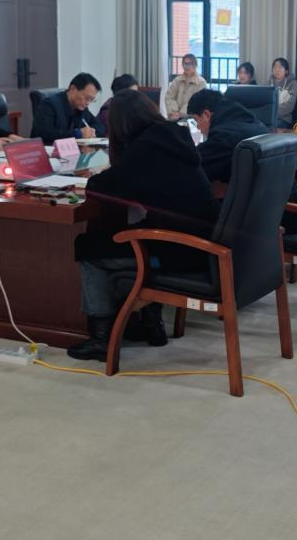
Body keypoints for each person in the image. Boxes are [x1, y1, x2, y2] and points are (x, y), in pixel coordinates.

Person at [67, 90, 218, 361]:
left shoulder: (144, 149)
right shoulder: (173, 137)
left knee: (88, 247)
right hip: (201, 244)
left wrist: (97, 176)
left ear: (121, 125)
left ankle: (101, 338)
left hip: (178, 251)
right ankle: (151, 323)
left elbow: (100, 188)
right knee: (115, 236)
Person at [187, 88, 271, 182]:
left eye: (195, 120)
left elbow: (190, 170)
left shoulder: (222, 138)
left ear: (206, 115)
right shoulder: (257, 124)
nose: (197, 127)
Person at [30, 73, 101, 141]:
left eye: (91, 100)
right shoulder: (49, 105)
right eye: (86, 98)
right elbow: (43, 134)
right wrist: (77, 133)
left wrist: (91, 132)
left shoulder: (81, 108)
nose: (88, 103)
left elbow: (100, 126)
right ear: (73, 88)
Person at [164, 53, 208, 120]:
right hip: (174, 116)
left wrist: (181, 114)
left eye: (189, 64)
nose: (186, 66)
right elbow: (169, 97)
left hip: (192, 118)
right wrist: (174, 111)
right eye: (185, 63)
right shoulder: (177, 80)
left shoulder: (201, 83)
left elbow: (198, 102)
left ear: (195, 65)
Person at [268, 57, 297, 128]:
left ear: (286, 71)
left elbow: (290, 106)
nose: (277, 70)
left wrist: (272, 112)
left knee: (269, 126)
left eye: (280, 67)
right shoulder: (269, 83)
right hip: (268, 116)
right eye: (275, 67)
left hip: (284, 119)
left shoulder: (293, 84)